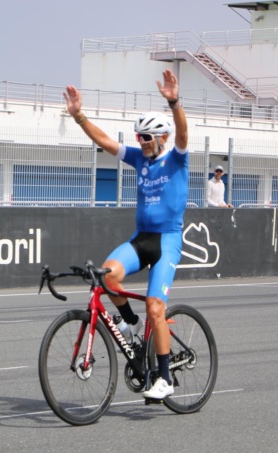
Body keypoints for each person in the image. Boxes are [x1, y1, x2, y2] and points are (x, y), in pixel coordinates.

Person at [63, 69, 188, 400]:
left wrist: (174, 102)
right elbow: (105, 141)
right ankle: (130, 323)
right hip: (141, 238)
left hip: (168, 242)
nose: (140, 143)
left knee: (156, 308)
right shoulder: (139, 159)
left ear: (161, 137)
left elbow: (184, 134)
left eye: (146, 138)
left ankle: (165, 378)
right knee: (106, 275)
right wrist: (79, 118)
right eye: (138, 137)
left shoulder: (176, 159)